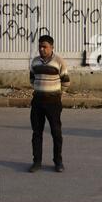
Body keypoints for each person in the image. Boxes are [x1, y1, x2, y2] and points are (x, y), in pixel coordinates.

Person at [28, 35, 70, 173]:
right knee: (37, 133)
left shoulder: (59, 62)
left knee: (56, 133)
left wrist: (57, 93)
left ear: (51, 47)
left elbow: (66, 81)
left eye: (45, 46)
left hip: (53, 103)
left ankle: (58, 162)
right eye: (40, 46)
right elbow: (32, 79)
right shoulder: (34, 62)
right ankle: (37, 162)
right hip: (38, 102)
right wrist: (41, 90)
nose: (42, 49)